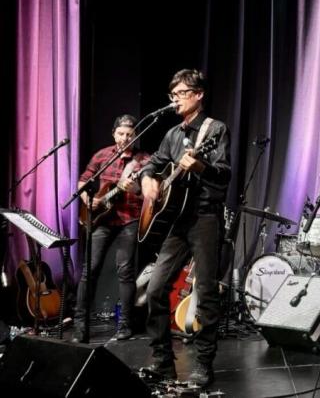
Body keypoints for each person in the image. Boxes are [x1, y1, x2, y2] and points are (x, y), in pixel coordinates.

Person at [139, 69, 231, 386]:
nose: (175, 99)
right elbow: (153, 164)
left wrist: (200, 165)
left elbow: (224, 174)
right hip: (177, 221)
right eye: (172, 94)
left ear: (198, 94)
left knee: (204, 293)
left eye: (180, 93)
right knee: (154, 290)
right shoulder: (172, 135)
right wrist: (148, 180)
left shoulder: (215, 130)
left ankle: (203, 364)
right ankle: (163, 362)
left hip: (205, 218)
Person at [73, 114, 149, 343]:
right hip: (101, 220)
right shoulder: (102, 155)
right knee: (90, 270)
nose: (125, 138)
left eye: (130, 134)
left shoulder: (144, 159)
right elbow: (83, 181)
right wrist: (88, 199)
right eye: (121, 133)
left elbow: (147, 191)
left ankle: (125, 325)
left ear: (135, 136)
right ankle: (80, 326)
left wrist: (134, 187)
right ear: (114, 134)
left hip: (130, 219)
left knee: (125, 271)